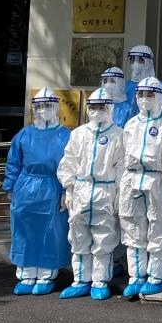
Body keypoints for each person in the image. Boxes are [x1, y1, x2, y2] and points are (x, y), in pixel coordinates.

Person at [57, 88, 125, 300]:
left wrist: (119, 193)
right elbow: (68, 162)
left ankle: (100, 281)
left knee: (104, 237)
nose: (97, 111)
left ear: (110, 108)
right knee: (78, 236)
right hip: (81, 189)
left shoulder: (118, 134)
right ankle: (80, 280)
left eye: (102, 107)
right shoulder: (78, 134)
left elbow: (122, 167)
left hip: (106, 190)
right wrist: (69, 189)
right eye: (93, 107)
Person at [4, 88, 71, 296]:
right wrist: (10, 186)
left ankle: (46, 275)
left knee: (50, 231)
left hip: (52, 187)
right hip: (25, 187)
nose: (43, 110)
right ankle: (26, 274)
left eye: (47, 106)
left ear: (56, 107)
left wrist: (65, 190)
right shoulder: (24, 134)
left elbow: (70, 165)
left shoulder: (66, 135)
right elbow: (14, 162)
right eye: (39, 106)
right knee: (24, 230)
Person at [118, 77, 162, 298]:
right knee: (133, 228)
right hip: (132, 178)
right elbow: (123, 155)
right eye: (141, 94)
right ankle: (136, 276)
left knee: (159, 227)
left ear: (159, 96)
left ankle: (156, 277)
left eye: (150, 94)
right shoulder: (131, 124)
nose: (144, 99)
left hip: (156, 178)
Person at [126, 45, 162, 116]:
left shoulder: (159, 86)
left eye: (140, 60)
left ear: (148, 62)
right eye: (132, 59)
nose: (135, 63)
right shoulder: (125, 87)